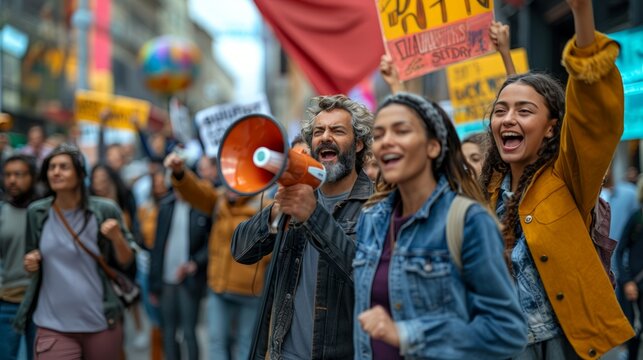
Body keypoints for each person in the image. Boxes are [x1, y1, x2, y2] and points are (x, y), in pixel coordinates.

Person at [479, 0, 634, 357]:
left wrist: (582, 14)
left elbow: (592, 117)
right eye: (500, 112)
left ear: (551, 129)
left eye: (524, 111)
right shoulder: (485, 192)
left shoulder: (567, 179)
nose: (508, 119)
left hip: (561, 346)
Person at [353, 92, 527, 359]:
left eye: (401, 131)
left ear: (433, 147)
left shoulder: (468, 221)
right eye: (379, 134)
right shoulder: (371, 218)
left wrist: (407, 334)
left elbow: (508, 331)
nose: (386, 141)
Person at [231, 94, 374, 359]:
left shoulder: (375, 204)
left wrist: (313, 216)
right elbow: (241, 251)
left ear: (358, 145)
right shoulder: (298, 194)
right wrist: (274, 212)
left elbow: (368, 278)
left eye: (337, 130)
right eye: (318, 131)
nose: (325, 136)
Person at [14, 144, 136, 359]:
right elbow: (31, 259)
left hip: (101, 322)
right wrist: (30, 262)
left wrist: (117, 238)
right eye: (51, 167)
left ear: (80, 174)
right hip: (52, 325)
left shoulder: (105, 210)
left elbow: (127, 260)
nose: (56, 172)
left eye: (64, 167)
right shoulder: (37, 213)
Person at [164, 152, 271, 360]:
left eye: (237, 181)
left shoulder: (265, 205)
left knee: (244, 347)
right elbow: (196, 192)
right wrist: (179, 172)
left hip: (250, 293)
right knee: (216, 345)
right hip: (219, 288)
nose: (230, 186)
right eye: (228, 180)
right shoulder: (220, 199)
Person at [148, 188, 209, 360]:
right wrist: (154, 282)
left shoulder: (201, 208)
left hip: (189, 279)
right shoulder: (166, 206)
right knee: (168, 330)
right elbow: (158, 246)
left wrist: (195, 263)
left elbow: (210, 243)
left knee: (189, 331)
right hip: (166, 278)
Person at [0, 155, 39, 360]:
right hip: (6, 302)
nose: (12, 180)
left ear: (32, 177)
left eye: (19, 174)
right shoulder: (2, 212)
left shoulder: (45, 212)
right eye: (7, 175)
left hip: (40, 304)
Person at [615, 177, 643, 360]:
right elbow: (619, 252)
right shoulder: (637, 218)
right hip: (636, 287)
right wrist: (627, 281)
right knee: (634, 333)